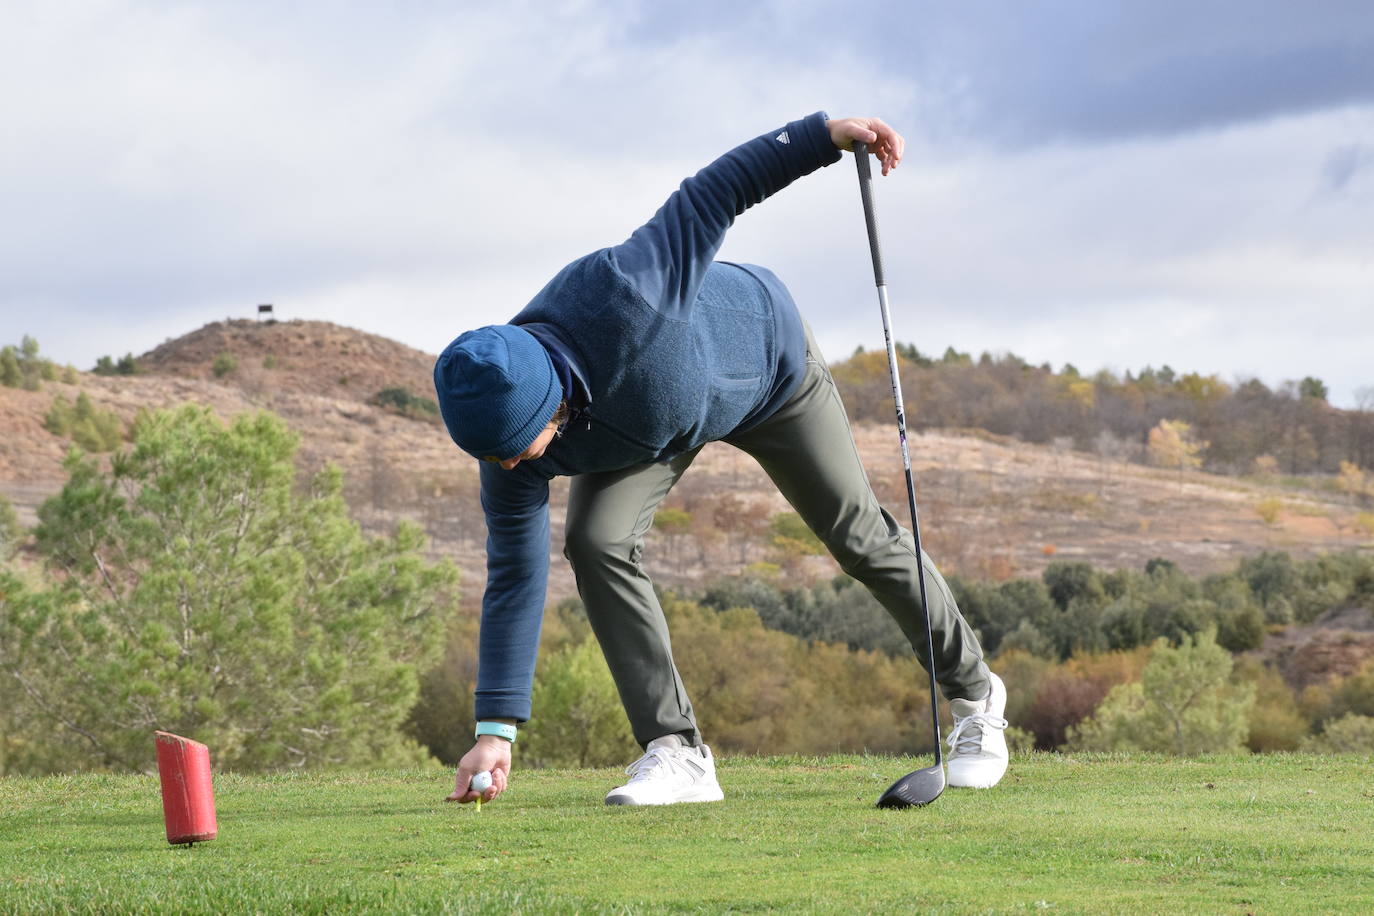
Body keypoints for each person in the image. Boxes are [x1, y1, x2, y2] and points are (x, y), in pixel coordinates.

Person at [434, 112, 1008, 807]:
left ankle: (976, 696)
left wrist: (825, 134)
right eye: (488, 456)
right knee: (596, 542)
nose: (502, 466)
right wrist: (495, 730)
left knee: (857, 536)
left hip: (768, 368)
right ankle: (677, 753)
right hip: (654, 425)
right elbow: (514, 577)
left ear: (545, 403)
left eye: (510, 450)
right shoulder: (504, 439)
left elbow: (713, 192)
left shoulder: (625, 288)